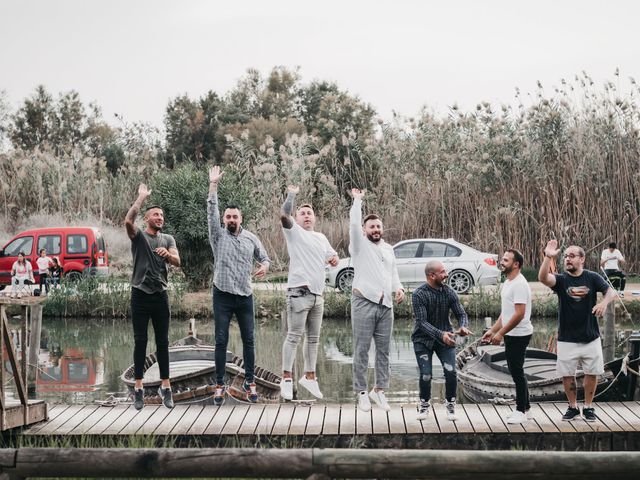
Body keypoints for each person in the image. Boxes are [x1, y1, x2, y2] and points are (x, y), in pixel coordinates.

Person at [207, 166, 270, 405]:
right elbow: (211, 210)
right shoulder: (217, 235)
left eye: (235, 216)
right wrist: (213, 185)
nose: (231, 220)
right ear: (224, 219)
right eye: (228, 217)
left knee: (249, 340)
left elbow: (264, 257)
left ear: (240, 218)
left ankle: (250, 381)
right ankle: (220, 384)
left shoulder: (251, 238)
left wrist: (264, 266)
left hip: (245, 295)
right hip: (222, 294)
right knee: (221, 340)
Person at [538, 239, 615, 422]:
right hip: (567, 338)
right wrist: (548, 258)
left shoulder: (592, 277)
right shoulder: (562, 280)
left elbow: (611, 291)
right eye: (565, 256)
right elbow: (543, 278)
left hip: (590, 337)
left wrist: (604, 303)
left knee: (592, 373)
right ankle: (572, 407)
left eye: (572, 256)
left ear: (582, 259)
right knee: (567, 375)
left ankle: (588, 407)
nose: (567, 259)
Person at [279, 185, 339, 401]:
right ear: (297, 218)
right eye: (302, 213)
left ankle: (310, 376)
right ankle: (286, 378)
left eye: (309, 213)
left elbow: (333, 258)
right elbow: (284, 214)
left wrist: (333, 260)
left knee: (313, 339)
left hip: (318, 296)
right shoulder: (294, 232)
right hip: (298, 293)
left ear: (314, 218)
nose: (306, 216)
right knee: (294, 336)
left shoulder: (321, 237)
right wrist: (292, 195)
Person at [125, 183, 181, 410]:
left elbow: (178, 261)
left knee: (163, 343)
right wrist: (140, 199)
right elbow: (128, 221)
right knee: (140, 341)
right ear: (147, 218)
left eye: (162, 215)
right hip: (139, 294)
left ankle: (165, 387)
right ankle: (138, 388)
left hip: (160, 295)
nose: (160, 217)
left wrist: (168, 255)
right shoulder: (139, 237)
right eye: (156, 214)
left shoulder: (167, 239)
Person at [349, 188, 405, 412]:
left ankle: (379, 390)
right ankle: (362, 392)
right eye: (371, 227)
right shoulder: (359, 245)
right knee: (361, 349)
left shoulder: (389, 249)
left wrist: (398, 288)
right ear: (364, 230)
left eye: (378, 226)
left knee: (384, 350)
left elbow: (392, 273)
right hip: (363, 302)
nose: (376, 229)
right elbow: (353, 225)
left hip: (386, 306)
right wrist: (357, 201)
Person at [412, 260, 470, 421]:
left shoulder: (449, 292)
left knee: (451, 372)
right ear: (432, 275)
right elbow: (422, 323)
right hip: (422, 340)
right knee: (426, 374)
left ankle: (451, 405)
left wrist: (463, 326)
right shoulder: (418, 294)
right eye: (443, 272)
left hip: (446, 339)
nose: (446, 275)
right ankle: (424, 405)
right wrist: (441, 334)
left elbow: (461, 314)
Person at [482, 249, 533, 424]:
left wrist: (500, 334)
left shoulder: (519, 284)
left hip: (519, 334)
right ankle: (526, 408)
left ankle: (520, 411)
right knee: (516, 371)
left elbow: (519, 314)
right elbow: (506, 313)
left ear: (516, 264)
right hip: (511, 333)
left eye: (506, 260)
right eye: (502, 259)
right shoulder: (508, 282)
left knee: (517, 372)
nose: (502, 262)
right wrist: (492, 330)